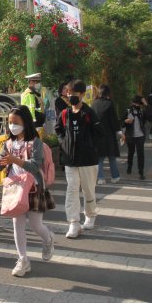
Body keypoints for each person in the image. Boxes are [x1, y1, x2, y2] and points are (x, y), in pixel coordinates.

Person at [0, 105, 54, 277]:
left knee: (36, 225)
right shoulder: (8, 144)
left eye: (16, 122)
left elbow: (35, 165)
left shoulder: (35, 142)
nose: (12, 125)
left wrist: (16, 160)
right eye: (10, 122)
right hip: (14, 188)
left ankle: (48, 239)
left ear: (25, 123)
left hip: (33, 187)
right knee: (17, 224)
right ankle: (23, 260)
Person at [55, 79, 104, 239]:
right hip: (70, 159)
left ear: (82, 94)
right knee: (72, 189)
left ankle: (90, 216)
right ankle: (74, 223)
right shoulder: (64, 114)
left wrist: (90, 147)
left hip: (88, 159)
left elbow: (99, 134)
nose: (70, 96)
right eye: (68, 94)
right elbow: (58, 130)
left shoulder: (89, 113)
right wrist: (64, 143)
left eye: (74, 94)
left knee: (88, 189)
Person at [92, 85, 123, 185]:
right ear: (107, 93)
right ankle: (115, 177)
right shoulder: (109, 103)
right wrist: (119, 132)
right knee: (111, 156)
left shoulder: (94, 104)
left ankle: (100, 178)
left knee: (99, 157)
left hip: (97, 134)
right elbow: (114, 119)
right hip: (109, 134)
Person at [122, 95, 149, 180]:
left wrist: (146, 104)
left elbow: (151, 115)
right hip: (130, 136)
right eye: (136, 103)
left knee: (141, 154)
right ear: (132, 103)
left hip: (140, 135)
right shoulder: (128, 111)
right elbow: (121, 121)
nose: (137, 105)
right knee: (131, 152)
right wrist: (125, 121)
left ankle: (141, 172)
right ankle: (129, 166)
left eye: (139, 104)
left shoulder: (142, 111)